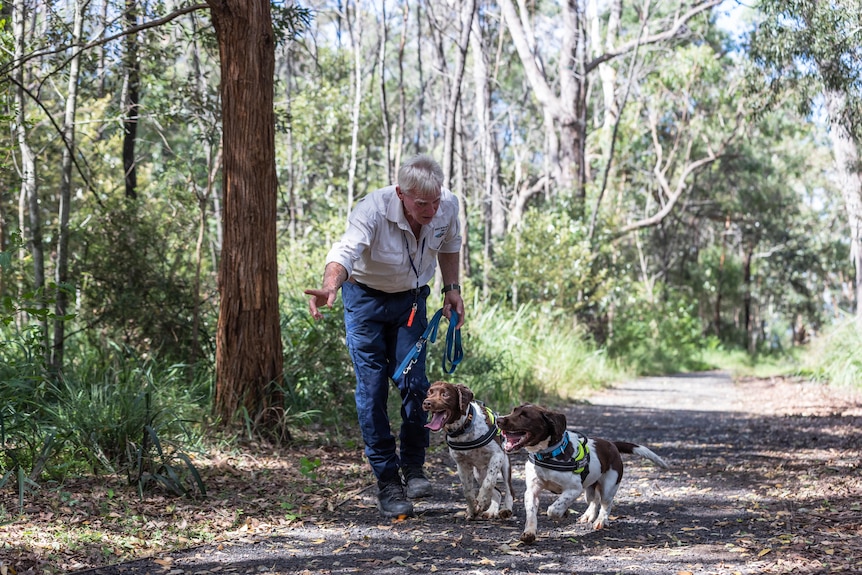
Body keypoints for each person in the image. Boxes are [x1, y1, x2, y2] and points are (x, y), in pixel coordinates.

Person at [305, 154, 465, 518]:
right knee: (373, 387)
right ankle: (388, 482)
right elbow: (345, 251)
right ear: (401, 194)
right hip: (365, 301)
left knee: (415, 384)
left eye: (435, 201)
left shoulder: (448, 205)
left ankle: (414, 466)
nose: (430, 209)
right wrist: (330, 288)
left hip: (410, 302)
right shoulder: (373, 210)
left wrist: (451, 288)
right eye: (422, 203)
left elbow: (450, 243)